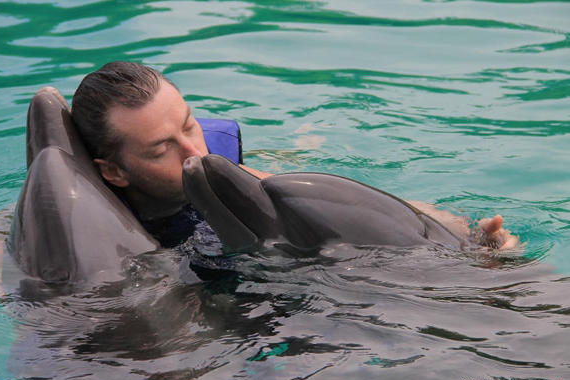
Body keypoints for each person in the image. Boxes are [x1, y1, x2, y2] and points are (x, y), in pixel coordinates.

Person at [71, 61, 518, 249]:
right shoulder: (89, 222)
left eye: (189, 125)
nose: (195, 152)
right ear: (113, 172)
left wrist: (462, 240)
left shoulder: (223, 170)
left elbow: (369, 213)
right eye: (161, 148)